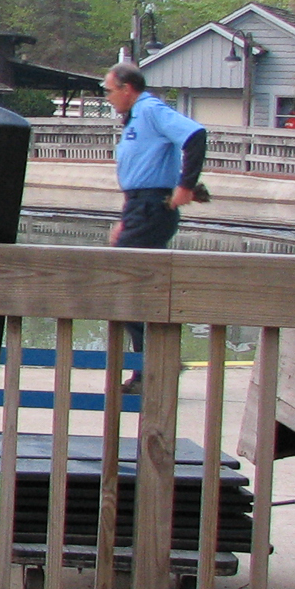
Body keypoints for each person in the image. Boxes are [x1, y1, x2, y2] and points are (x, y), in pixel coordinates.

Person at [102, 61, 206, 387]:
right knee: (135, 286)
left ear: (127, 89)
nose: (107, 97)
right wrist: (125, 219)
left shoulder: (150, 110)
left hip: (152, 207)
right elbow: (143, 170)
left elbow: (195, 135)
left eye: (109, 91)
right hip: (139, 207)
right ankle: (154, 366)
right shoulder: (136, 117)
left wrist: (186, 186)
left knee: (127, 286)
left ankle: (154, 367)